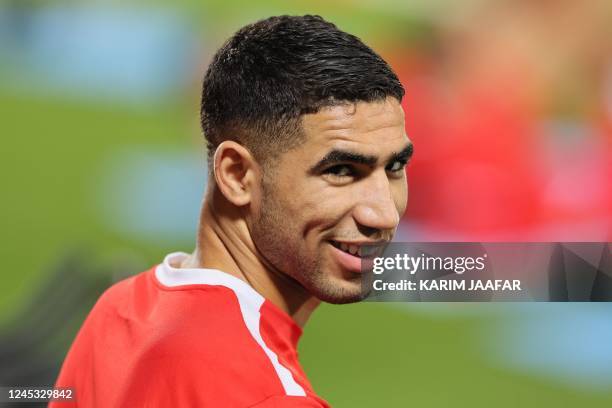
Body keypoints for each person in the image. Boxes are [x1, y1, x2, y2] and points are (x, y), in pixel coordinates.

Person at [51, 14, 411, 407]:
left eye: (394, 167)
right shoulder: (271, 397)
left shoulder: (119, 308)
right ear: (237, 175)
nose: (384, 215)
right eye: (341, 171)